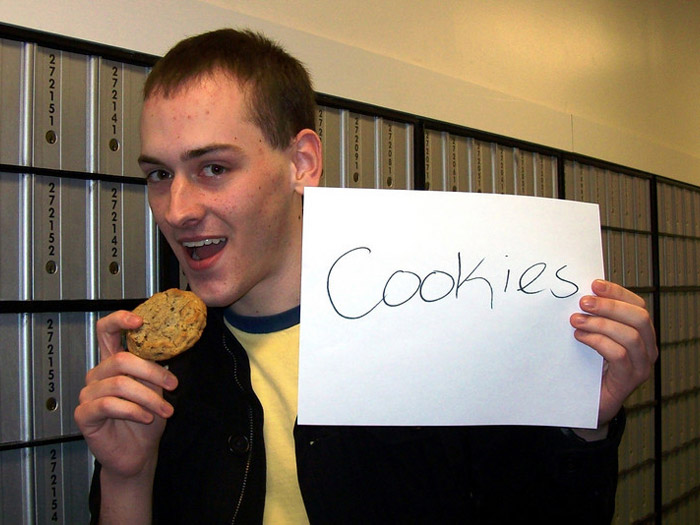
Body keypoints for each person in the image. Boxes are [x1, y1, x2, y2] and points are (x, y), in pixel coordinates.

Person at [74, 28, 658, 524]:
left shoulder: (439, 325)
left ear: (301, 163)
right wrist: (128, 476)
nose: (176, 210)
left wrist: (582, 425)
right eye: (158, 175)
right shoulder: (156, 365)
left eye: (214, 167)